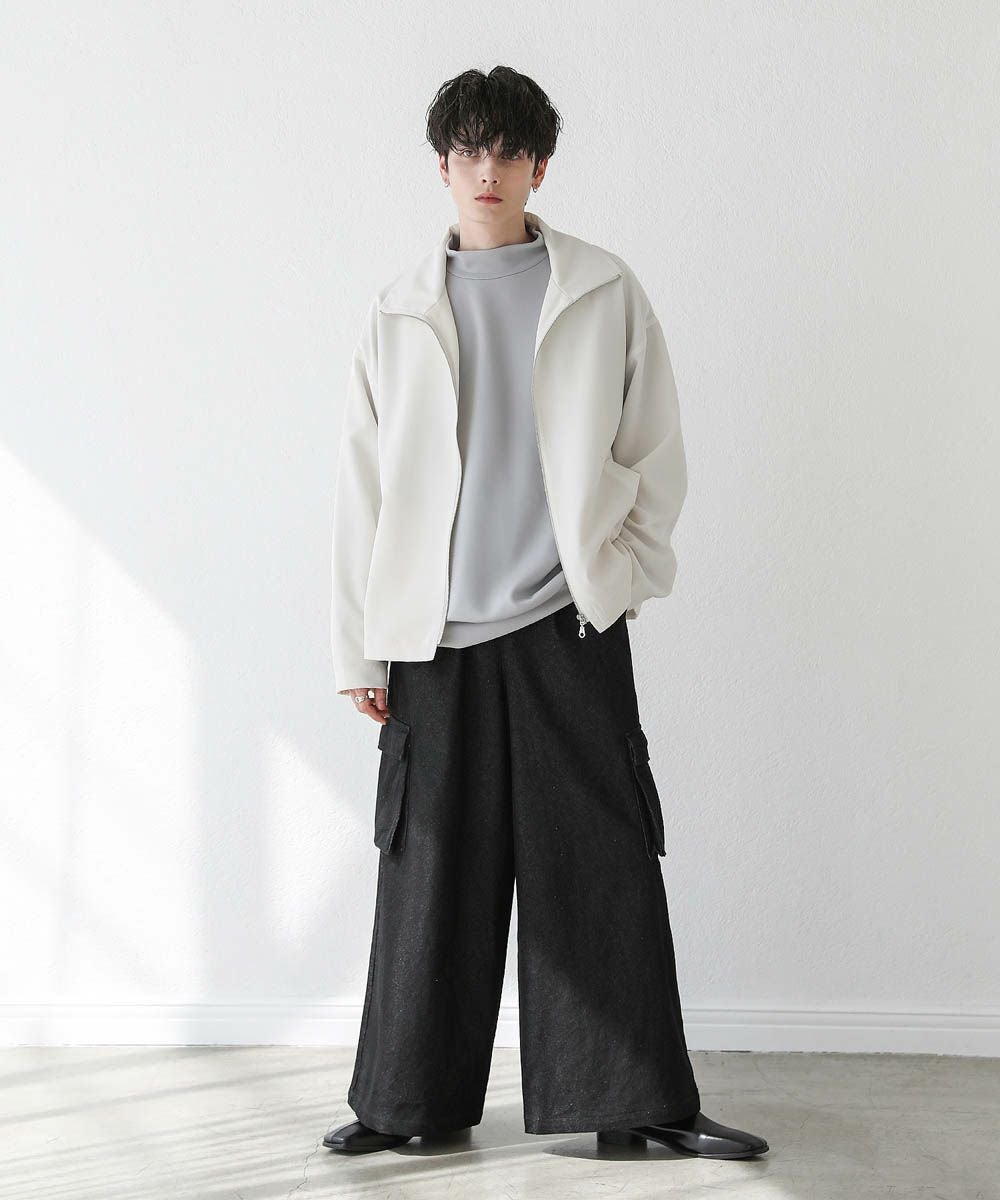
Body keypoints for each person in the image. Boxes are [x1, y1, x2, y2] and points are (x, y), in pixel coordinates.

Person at [324, 65, 769, 1161]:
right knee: (428, 874)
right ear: (442, 167)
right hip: (434, 638)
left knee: (603, 863)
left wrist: (619, 572)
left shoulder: (602, 289)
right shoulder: (396, 311)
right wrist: (360, 647)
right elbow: (362, 490)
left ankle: (641, 1102)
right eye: (469, 152)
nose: (489, 171)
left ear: (540, 166)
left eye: (509, 152)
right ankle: (405, 1105)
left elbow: (653, 448)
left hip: (567, 621)